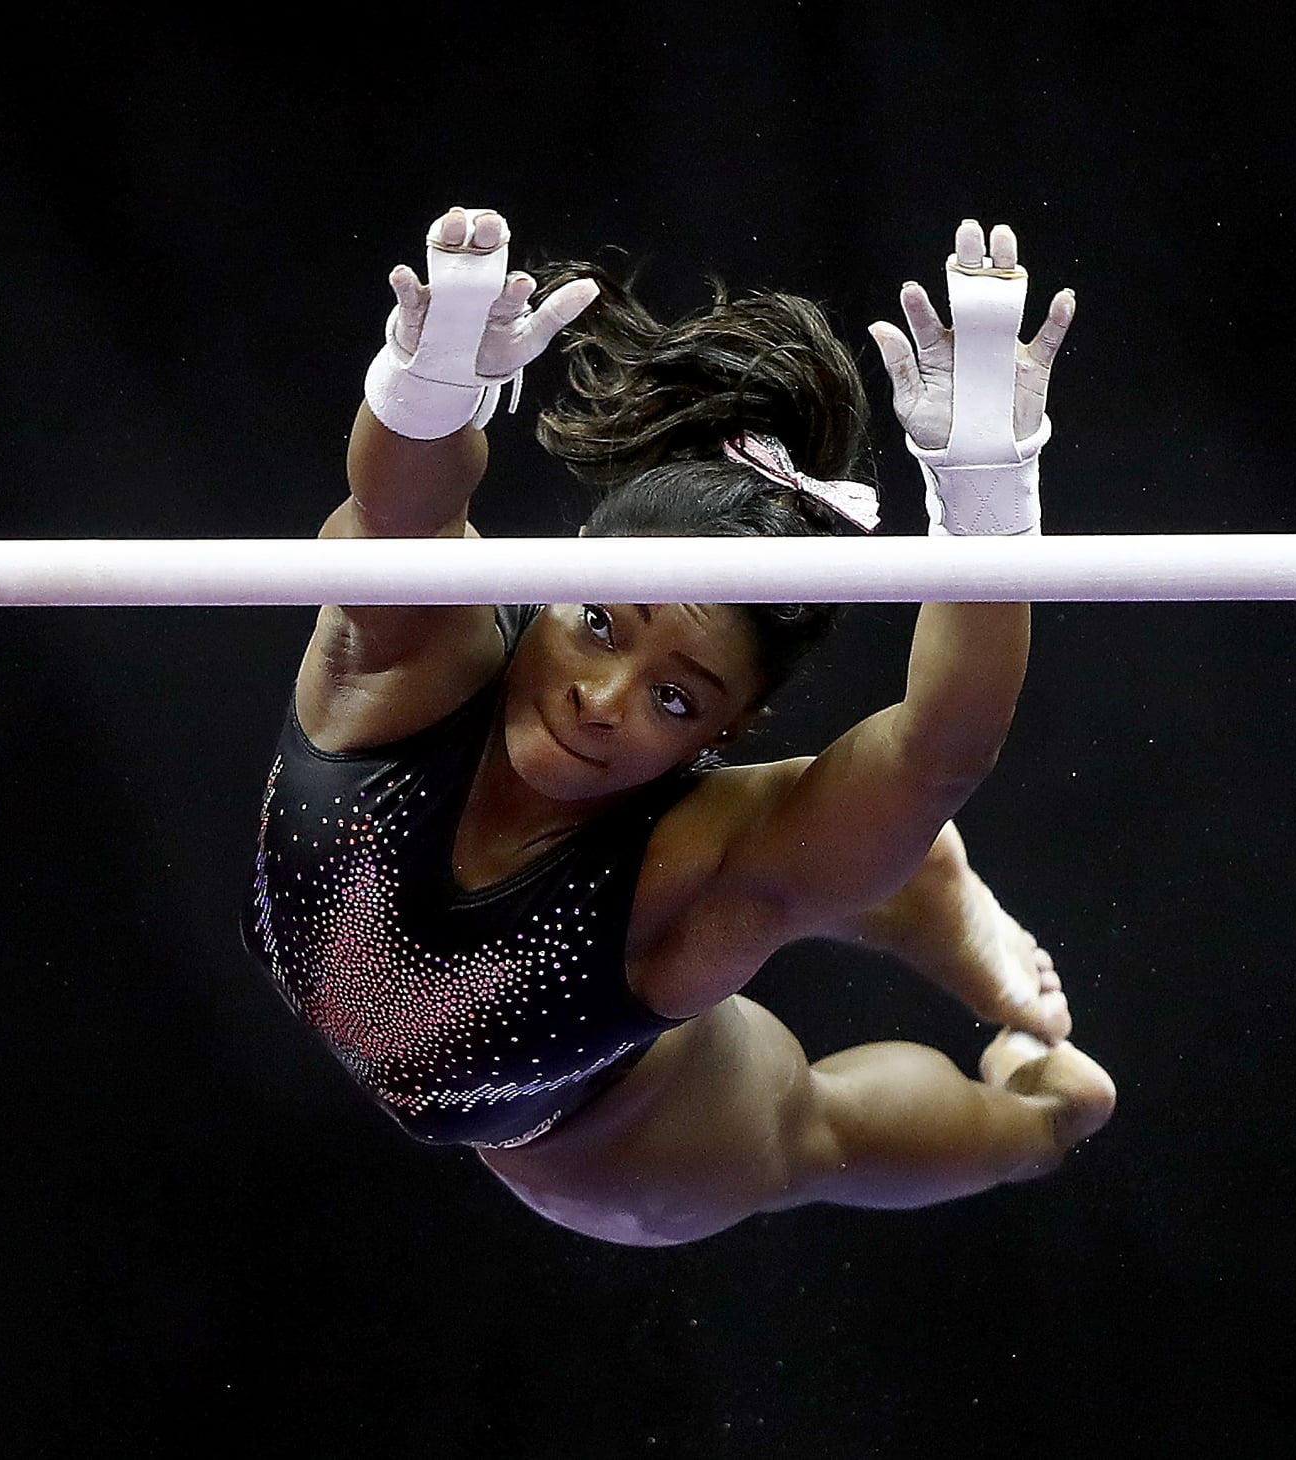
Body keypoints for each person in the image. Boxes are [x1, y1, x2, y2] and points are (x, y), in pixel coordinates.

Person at [242, 205, 1116, 1247]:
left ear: (728, 726)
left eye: (673, 696)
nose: (600, 698)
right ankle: (906, 880)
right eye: (600, 622)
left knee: (801, 1138)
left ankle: (1042, 1112)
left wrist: (984, 494)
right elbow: (396, 516)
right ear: (559, 572)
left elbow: (936, 751)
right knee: (865, 845)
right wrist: (430, 383)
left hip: (602, 1118)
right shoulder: (411, 661)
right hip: (525, 1050)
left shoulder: (698, 866)